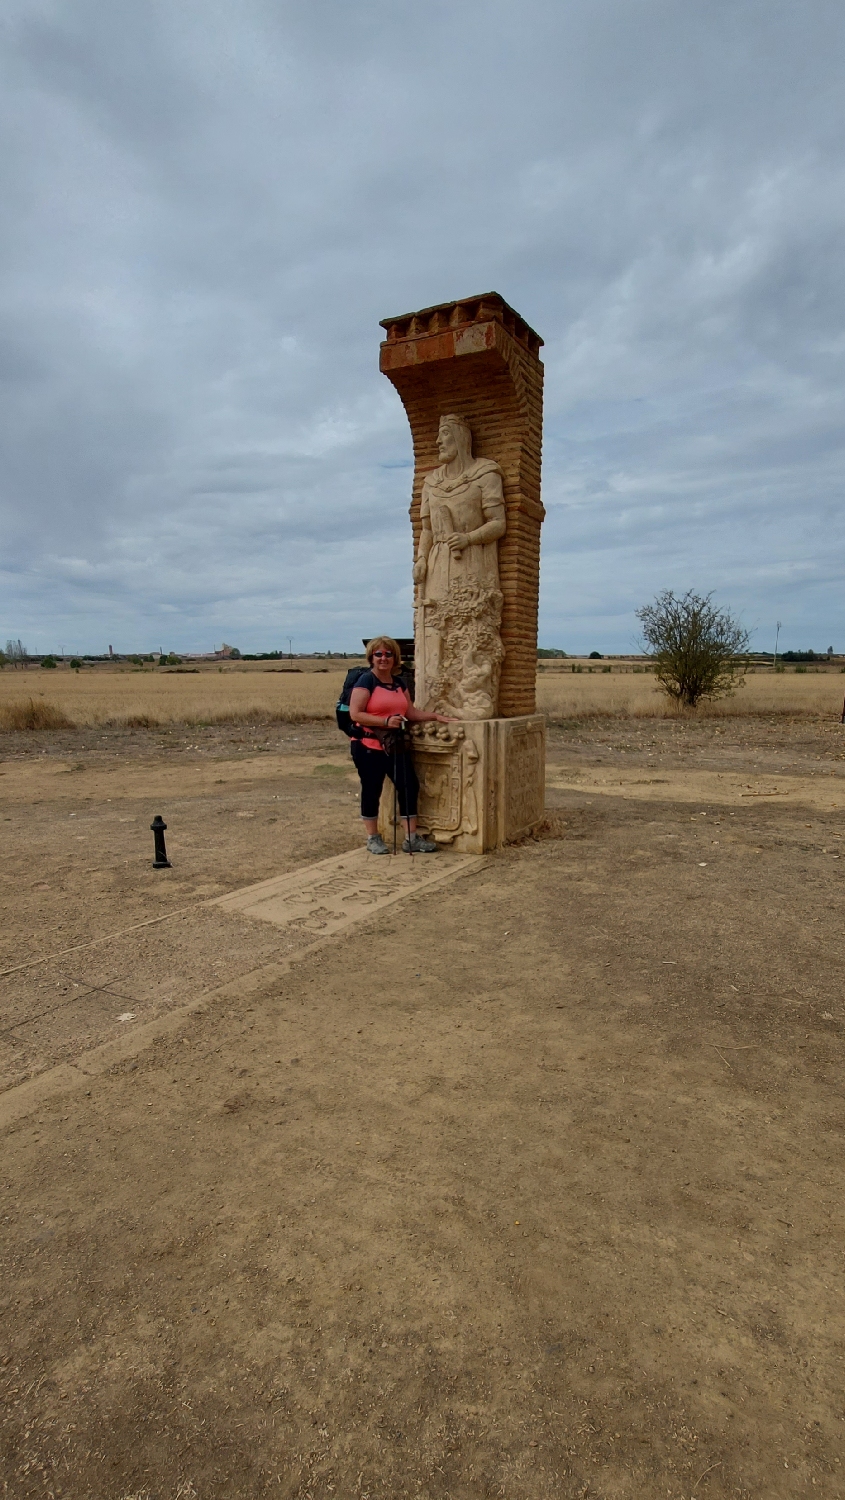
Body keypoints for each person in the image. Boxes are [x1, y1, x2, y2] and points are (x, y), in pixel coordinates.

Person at [349, 636, 452, 854]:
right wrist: (385, 721)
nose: (383, 658)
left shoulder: (398, 683)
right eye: (379, 654)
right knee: (371, 789)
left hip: (395, 746)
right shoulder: (366, 681)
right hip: (369, 745)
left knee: (408, 786)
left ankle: (411, 839)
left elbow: (410, 712)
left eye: (388, 654)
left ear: (395, 658)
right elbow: (356, 714)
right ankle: (373, 838)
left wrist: (435, 716)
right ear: (371, 657)